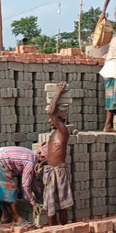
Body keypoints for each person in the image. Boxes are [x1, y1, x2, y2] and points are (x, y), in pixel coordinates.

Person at [0, 146, 45, 226]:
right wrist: (33, 203)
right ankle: (16, 218)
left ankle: (5, 216)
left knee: (2, 189)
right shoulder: (30, 162)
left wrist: (40, 195)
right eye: (44, 163)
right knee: (11, 189)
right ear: (42, 157)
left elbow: (33, 179)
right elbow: (25, 185)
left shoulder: (31, 155)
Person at [43, 83, 74, 225]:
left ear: (60, 119)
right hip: (51, 171)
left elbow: (51, 112)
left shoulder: (63, 131)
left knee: (62, 206)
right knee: (50, 204)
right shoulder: (54, 134)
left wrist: (58, 93)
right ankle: (53, 229)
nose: (50, 120)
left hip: (59, 172)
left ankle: (63, 229)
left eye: (53, 118)